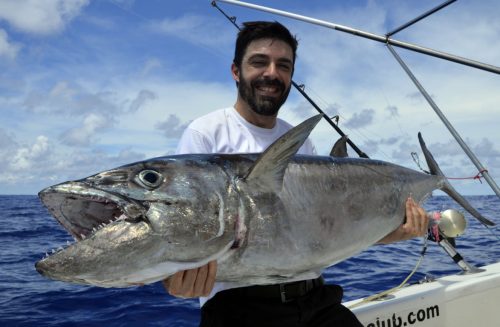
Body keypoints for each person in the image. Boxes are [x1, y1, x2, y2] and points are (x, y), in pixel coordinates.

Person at [163, 21, 428, 327]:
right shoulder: (206, 133)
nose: (272, 73)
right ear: (236, 71)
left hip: (316, 299)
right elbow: (181, 221)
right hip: (239, 308)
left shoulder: (301, 140)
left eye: (283, 66)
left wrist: (397, 232)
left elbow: (323, 232)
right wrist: (173, 281)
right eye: (259, 62)